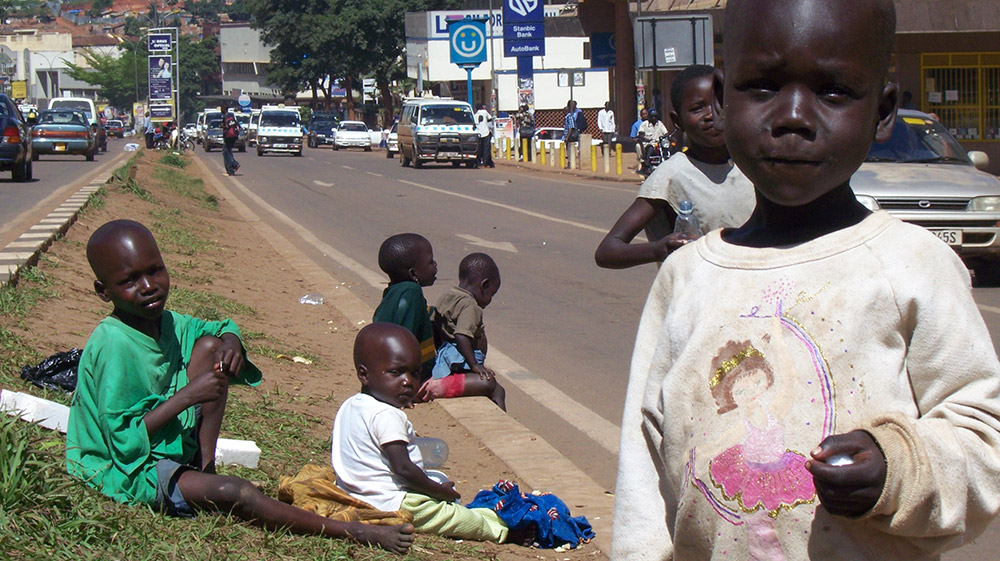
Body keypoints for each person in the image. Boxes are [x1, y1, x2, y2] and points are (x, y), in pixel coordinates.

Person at [611, 2, 1000, 561]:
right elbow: (644, 472)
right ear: (722, 100)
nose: (793, 115)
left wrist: (898, 465)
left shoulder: (914, 265)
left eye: (834, 91)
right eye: (763, 85)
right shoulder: (687, 277)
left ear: (882, 111)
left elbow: (983, 441)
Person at [66, 220, 414, 554]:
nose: (148, 286)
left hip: (156, 445)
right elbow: (123, 442)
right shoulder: (114, 343)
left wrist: (231, 341)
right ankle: (354, 531)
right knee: (238, 492)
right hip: (122, 467)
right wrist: (188, 396)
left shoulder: (164, 322)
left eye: (154, 270)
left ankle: (203, 469)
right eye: (129, 280)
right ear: (103, 291)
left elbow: (219, 327)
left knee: (211, 347)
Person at [332, 323, 529, 544]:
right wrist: (439, 493)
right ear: (363, 374)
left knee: (438, 479)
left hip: (353, 492)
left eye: (414, 373)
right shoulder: (386, 415)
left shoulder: (350, 406)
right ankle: (501, 530)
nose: (407, 381)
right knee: (455, 516)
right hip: (391, 501)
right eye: (396, 373)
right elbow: (404, 469)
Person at [595, 64, 755, 269]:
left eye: (720, 105)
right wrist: (660, 249)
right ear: (677, 121)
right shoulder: (672, 175)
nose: (710, 115)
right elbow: (608, 251)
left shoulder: (753, 166)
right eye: (698, 108)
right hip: (700, 294)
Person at [425, 253, 506, 410]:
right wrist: (474, 365)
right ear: (485, 285)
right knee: (497, 390)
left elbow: (435, 324)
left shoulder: (448, 296)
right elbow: (462, 335)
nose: (490, 300)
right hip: (463, 360)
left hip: (448, 356)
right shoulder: (470, 306)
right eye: (492, 294)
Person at [372, 233, 438, 380]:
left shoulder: (394, 290)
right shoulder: (412, 292)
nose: (435, 265)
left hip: (387, 371)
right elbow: (404, 342)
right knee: (487, 385)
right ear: (414, 273)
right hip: (414, 376)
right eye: (430, 262)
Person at [635, 110, 669, 174]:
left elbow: (665, 132)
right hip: (647, 143)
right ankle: (646, 165)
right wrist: (643, 137)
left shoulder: (659, 123)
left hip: (658, 144)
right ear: (649, 117)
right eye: (652, 117)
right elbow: (640, 133)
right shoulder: (644, 124)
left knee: (667, 146)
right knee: (650, 147)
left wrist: (668, 137)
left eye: (655, 116)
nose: (654, 118)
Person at [220, 104, 240, 176]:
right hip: (234, 136)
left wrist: (222, 126)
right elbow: (237, 125)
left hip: (228, 136)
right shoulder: (232, 115)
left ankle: (230, 170)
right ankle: (234, 164)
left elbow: (226, 126)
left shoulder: (225, 116)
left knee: (226, 153)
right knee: (228, 151)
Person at [475, 104, 494, 168]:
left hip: (478, 133)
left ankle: (478, 162)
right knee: (486, 149)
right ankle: (485, 163)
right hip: (486, 133)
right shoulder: (484, 112)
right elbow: (490, 118)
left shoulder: (475, 115)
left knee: (479, 149)